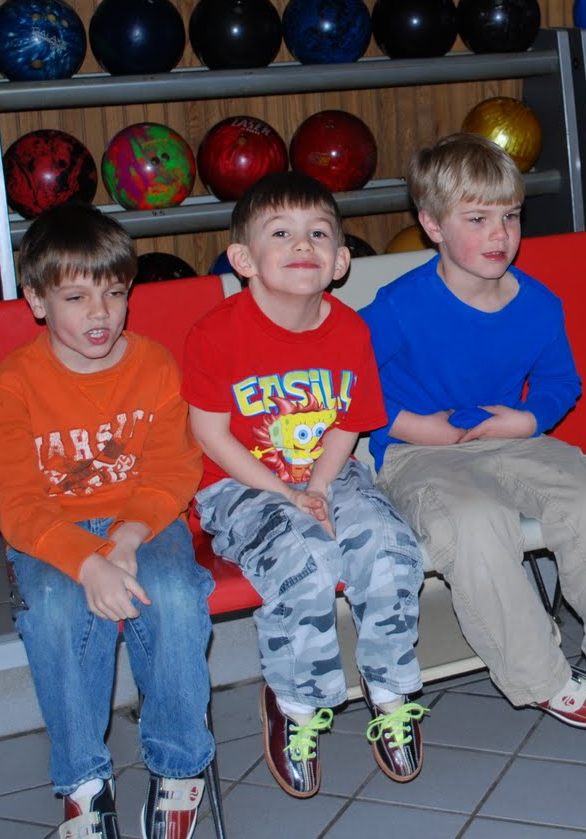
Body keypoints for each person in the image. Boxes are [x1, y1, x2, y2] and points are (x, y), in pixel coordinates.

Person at [360, 134, 586, 761]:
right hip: (421, 453)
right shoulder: (399, 307)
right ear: (432, 225)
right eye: (477, 219)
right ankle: (542, 679)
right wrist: (416, 428)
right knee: (472, 523)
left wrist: (529, 419)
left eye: (511, 216)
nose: (500, 234)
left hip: (511, 440)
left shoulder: (537, 304)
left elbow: (559, 383)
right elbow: (351, 386)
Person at [183, 171, 427, 799]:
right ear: (243, 260)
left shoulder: (349, 330)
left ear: (340, 261)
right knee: (306, 559)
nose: (302, 244)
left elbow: (348, 422)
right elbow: (210, 436)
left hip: (329, 471)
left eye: (318, 233)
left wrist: (316, 486)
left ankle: (389, 689)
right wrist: (287, 494)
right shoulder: (215, 332)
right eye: (281, 233)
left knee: (391, 546)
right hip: (238, 484)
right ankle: (294, 702)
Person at [0, 204, 215, 839]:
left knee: (175, 594)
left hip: (145, 521)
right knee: (56, 611)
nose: (100, 313)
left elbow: (172, 469)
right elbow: (14, 500)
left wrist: (127, 539)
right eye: (76, 297)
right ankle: (85, 781)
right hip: (54, 531)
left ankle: (178, 764)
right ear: (36, 301)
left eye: (114, 293)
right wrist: (86, 563)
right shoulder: (11, 387)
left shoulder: (155, 366)